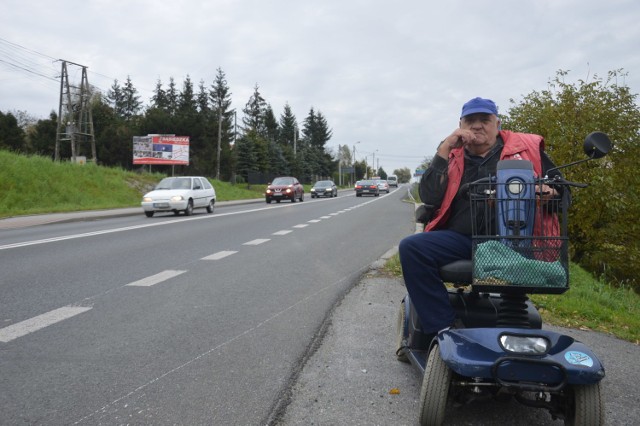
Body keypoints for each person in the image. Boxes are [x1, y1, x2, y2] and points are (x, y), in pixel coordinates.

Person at [398, 97, 563, 339]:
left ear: (497, 123)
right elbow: (430, 196)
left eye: (484, 120)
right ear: (460, 124)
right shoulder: (451, 154)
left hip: (513, 242)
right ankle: (444, 329)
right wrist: (444, 149)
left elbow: (561, 189)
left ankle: (517, 335)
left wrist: (551, 193)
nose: (477, 126)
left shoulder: (526, 149)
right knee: (412, 248)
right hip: (461, 239)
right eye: (470, 121)